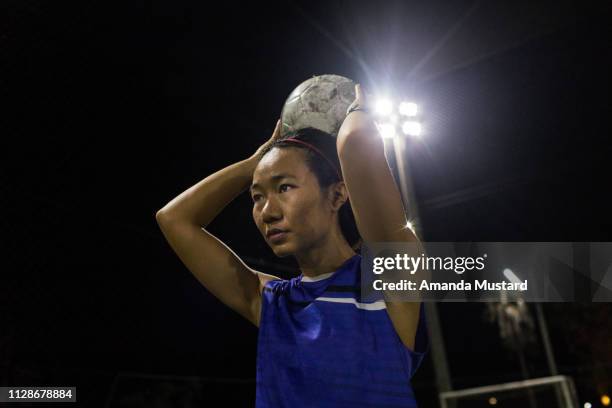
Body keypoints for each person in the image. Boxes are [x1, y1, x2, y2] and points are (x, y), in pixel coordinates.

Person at [156, 84, 429, 407]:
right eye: (257, 197)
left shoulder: (387, 280)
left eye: (284, 187)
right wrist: (254, 164)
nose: (267, 212)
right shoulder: (274, 303)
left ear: (338, 194)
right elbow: (173, 218)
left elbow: (355, 143)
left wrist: (359, 110)